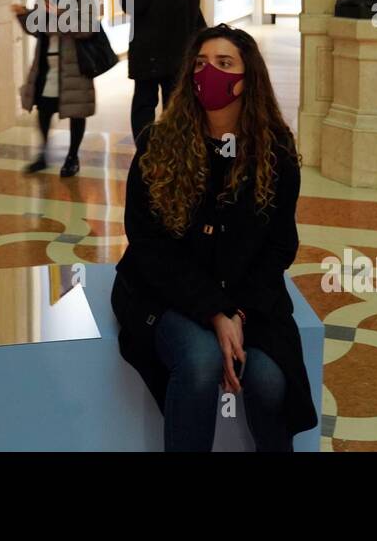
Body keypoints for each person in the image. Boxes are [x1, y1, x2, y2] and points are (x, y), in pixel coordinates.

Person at [110, 24, 317, 452]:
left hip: (247, 295)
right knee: (201, 361)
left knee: (267, 378)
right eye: (201, 64)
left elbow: (280, 245)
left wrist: (237, 312)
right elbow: (147, 243)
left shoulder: (273, 152)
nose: (210, 73)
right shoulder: (159, 143)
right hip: (163, 291)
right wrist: (214, 311)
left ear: (247, 78)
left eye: (224, 64)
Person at [117, 0, 205, 142]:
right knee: (174, 104)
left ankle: (145, 155)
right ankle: (174, 152)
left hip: (149, 51)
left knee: (144, 105)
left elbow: (138, 4)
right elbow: (193, 2)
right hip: (181, 49)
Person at [11, 0, 98, 178]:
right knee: (44, 108)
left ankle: (72, 157)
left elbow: (87, 28)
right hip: (46, 64)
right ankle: (42, 154)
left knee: (76, 112)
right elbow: (36, 28)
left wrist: (61, 16)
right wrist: (24, 16)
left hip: (73, 65)